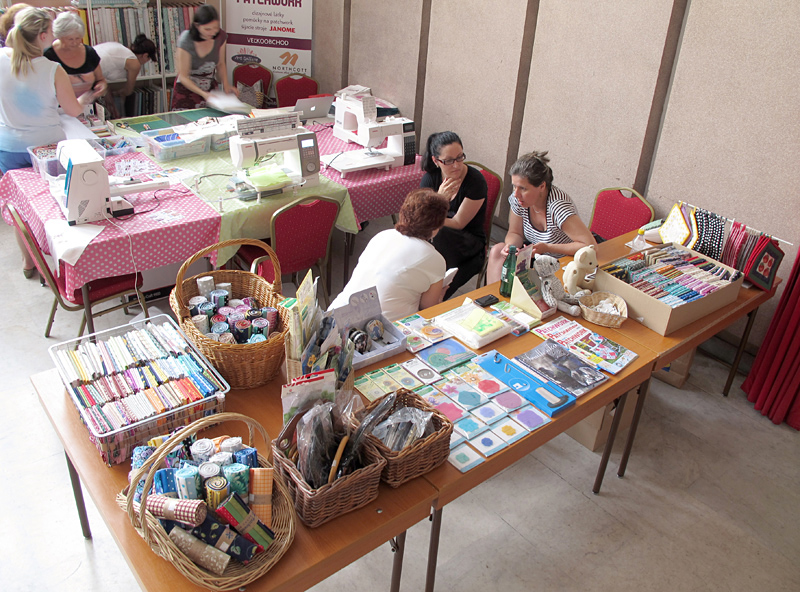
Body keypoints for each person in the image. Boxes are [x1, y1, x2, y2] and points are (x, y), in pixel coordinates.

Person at [0, 7, 101, 277]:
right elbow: (73, 110)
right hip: (46, 148)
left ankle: (28, 261)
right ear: (43, 36)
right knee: (54, 205)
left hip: (9, 146)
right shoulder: (52, 69)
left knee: (19, 207)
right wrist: (85, 99)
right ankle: (59, 266)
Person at [329, 188, 449, 321]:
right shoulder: (435, 259)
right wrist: (440, 297)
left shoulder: (382, 236)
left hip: (336, 315)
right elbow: (428, 308)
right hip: (382, 328)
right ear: (436, 227)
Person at [486, 151, 596, 284]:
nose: (516, 194)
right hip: (538, 256)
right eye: (514, 186)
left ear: (542, 186)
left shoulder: (558, 206)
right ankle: (492, 295)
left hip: (564, 261)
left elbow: (589, 245)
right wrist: (511, 246)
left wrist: (548, 248)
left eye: (523, 188)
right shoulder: (519, 200)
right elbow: (515, 233)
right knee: (498, 250)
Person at [420, 131, 487, 299]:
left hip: (468, 241)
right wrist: (439, 199)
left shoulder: (475, 181)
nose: (456, 165)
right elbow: (419, 217)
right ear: (436, 161)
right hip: (438, 237)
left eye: (459, 157)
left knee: (438, 232)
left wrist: (438, 205)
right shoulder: (431, 179)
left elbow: (458, 223)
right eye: (449, 161)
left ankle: (433, 294)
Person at [171, 5, 236, 110]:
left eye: (215, 28)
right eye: (207, 29)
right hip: (187, 90)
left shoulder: (220, 36)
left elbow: (220, 64)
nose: (212, 32)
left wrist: (226, 85)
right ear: (197, 26)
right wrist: (203, 94)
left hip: (209, 87)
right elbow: (183, 77)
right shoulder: (186, 40)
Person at [44, 11, 107, 99]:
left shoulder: (89, 52)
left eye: (78, 38)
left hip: (88, 104)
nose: (75, 42)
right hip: (59, 105)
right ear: (60, 36)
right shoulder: (48, 56)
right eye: (70, 39)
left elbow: (100, 79)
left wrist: (101, 86)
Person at [94, 35, 156, 117]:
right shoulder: (134, 63)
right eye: (149, 59)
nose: (146, 62)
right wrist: (117, 93)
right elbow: (128, 90)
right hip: (89, 73)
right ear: (145, 55)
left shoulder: (122, 50)